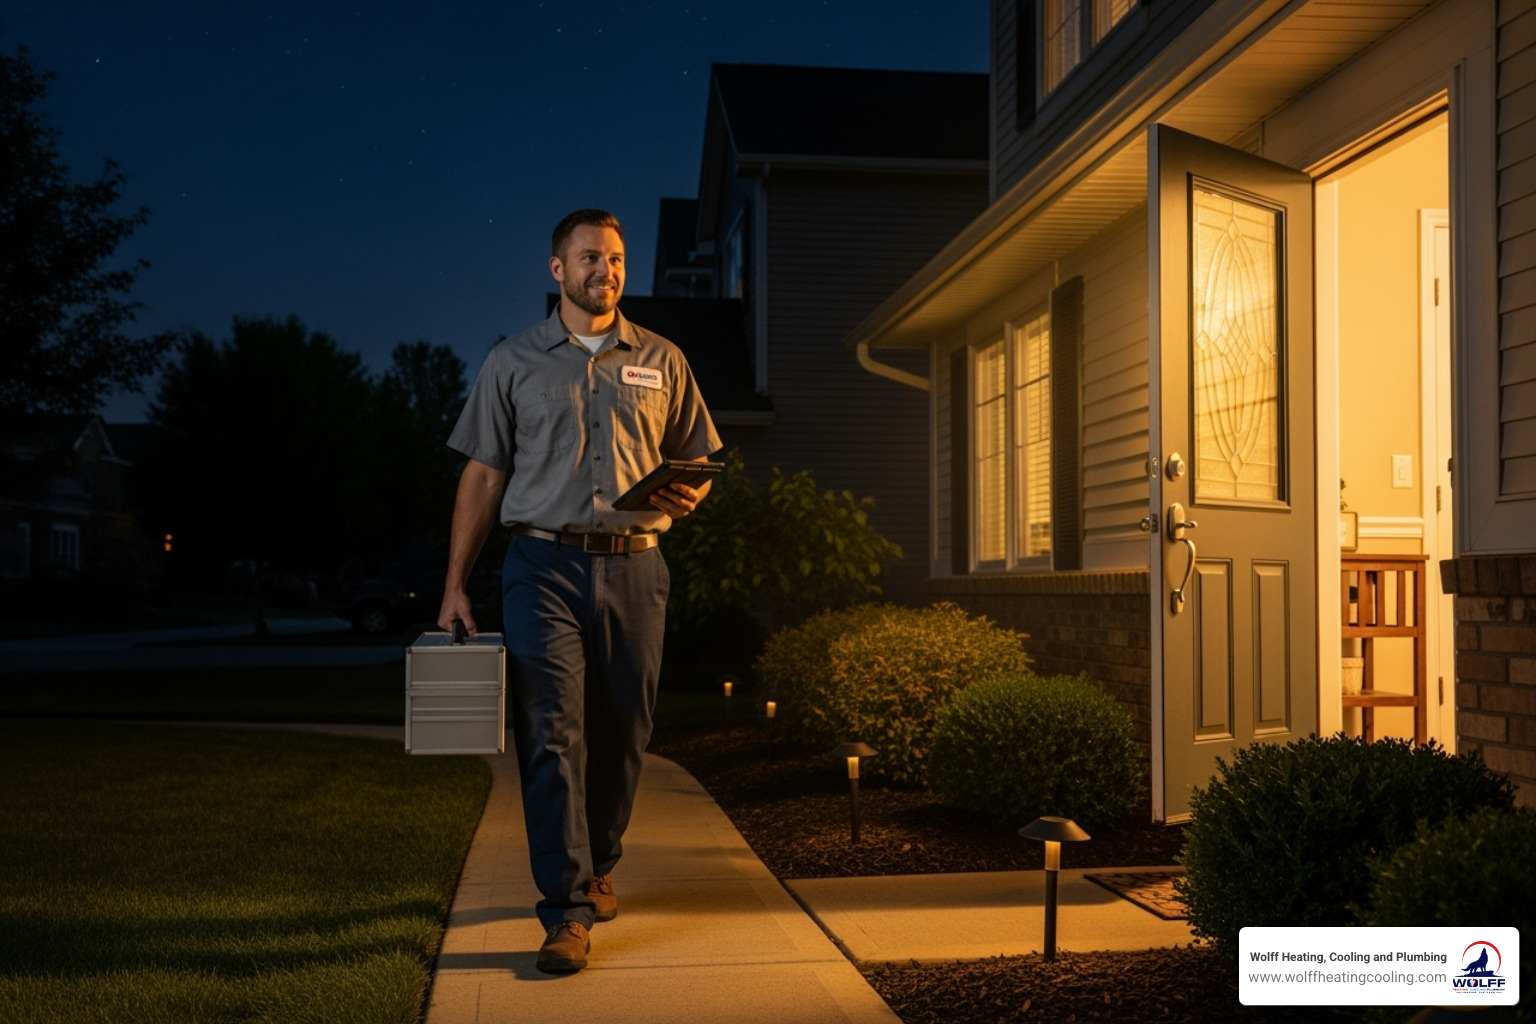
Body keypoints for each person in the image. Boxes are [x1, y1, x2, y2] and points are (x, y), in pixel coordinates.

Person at [437, 208, 720, 974]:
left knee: (625, 731)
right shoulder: (513, 361)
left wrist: (687, 494)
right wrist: (454, 586)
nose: (608, 269)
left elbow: (697, 460)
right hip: (541, 565)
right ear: (557, 270)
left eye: (618, 258)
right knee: (552, 733)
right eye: (591, 257)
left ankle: (597, 865)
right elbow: (484, 474)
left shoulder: (663, 359)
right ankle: (563, 910)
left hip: (637, 565)